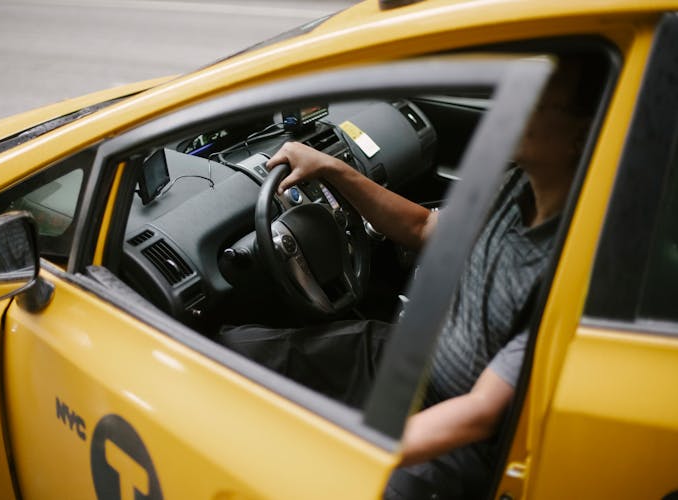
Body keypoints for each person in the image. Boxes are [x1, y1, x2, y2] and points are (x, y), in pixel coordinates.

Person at [221, 56, 601, 499]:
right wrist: (332, 168)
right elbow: (423, 229)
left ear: (580, 134)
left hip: (467, 440)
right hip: (418, 360)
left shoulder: (576, 256)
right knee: (237, 351)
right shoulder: (515, 186)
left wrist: (349, 445)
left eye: (534, 101)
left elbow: (481, 412)